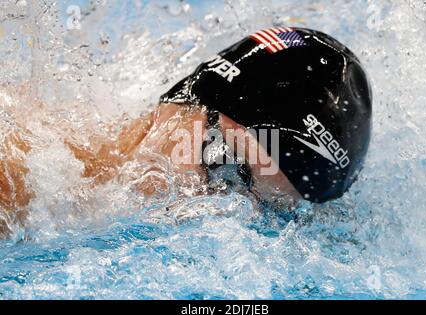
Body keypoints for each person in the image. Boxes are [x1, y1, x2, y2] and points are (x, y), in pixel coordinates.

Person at [0, 27, 372, 237]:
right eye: (225, 172)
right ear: (184, 102)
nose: (209, 209)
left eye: (267, 213)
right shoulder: (17, 181)